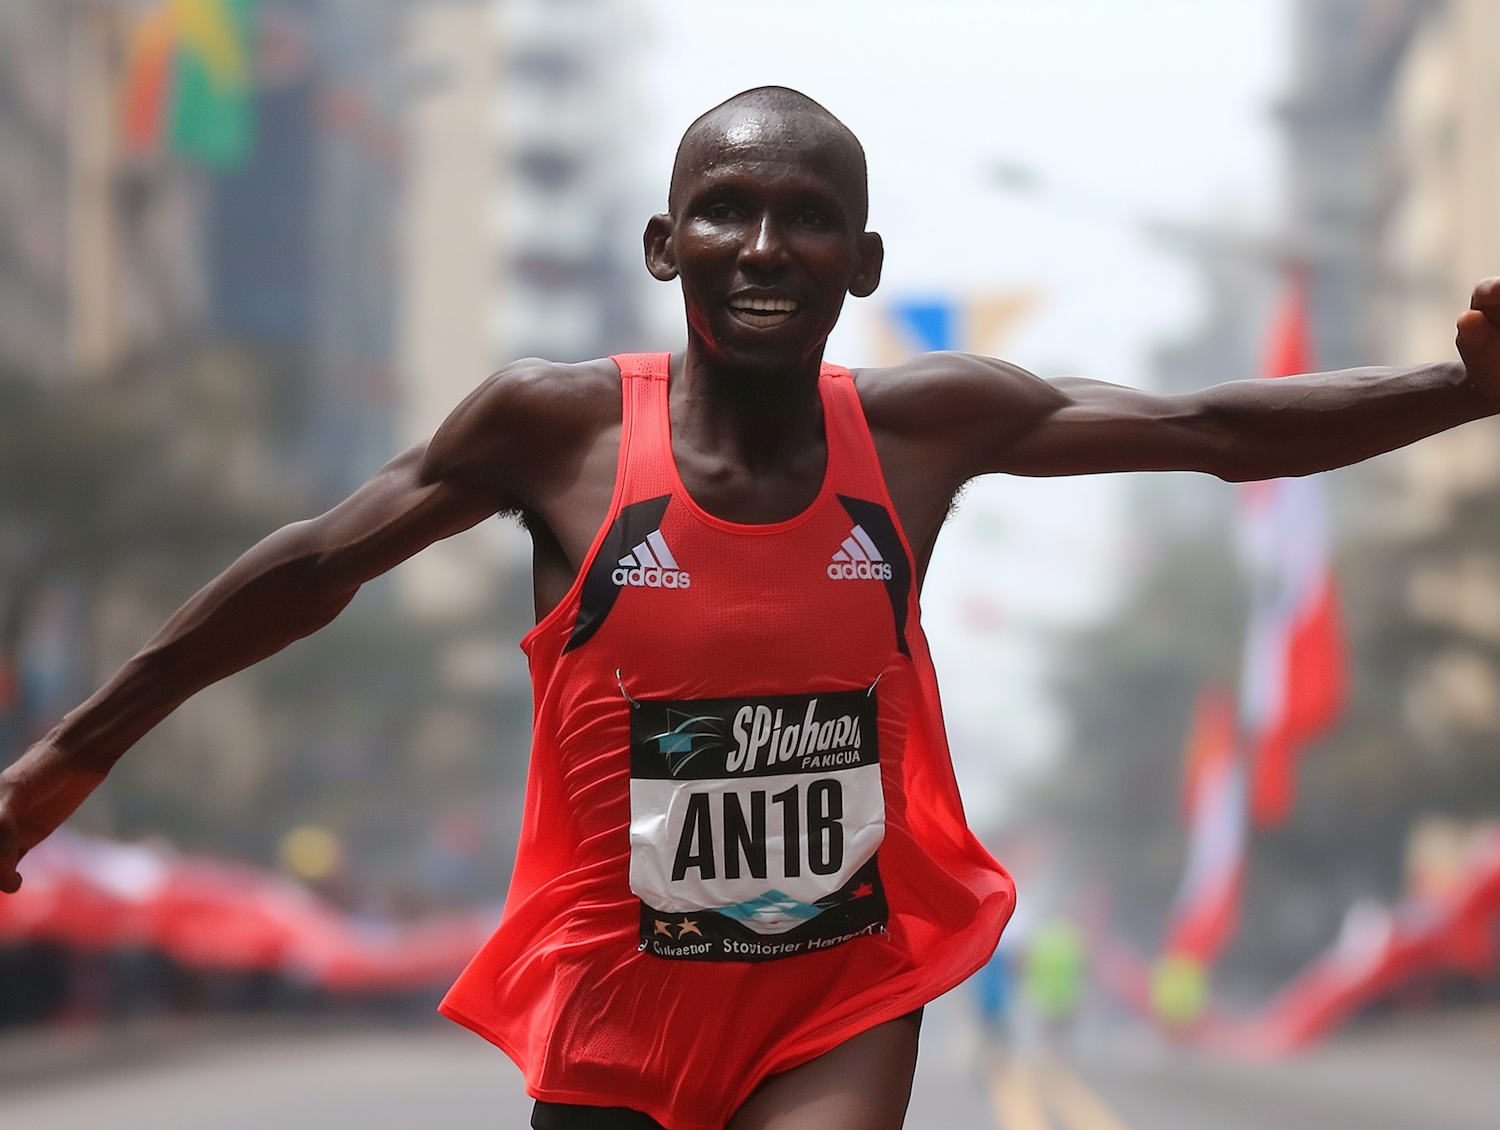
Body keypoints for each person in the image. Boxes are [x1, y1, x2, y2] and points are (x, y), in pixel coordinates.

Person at [2, 85, 1499, 1129]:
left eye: (806, 218)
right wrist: (67, 758)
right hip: (613, 995)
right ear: (668, 248)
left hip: (834, 985)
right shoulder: (559, 432)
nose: (765, 247)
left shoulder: (917, 431)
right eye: (724, 211)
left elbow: (1216, 429)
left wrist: (1461, 387)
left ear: (864, 262)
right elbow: (316, 566)